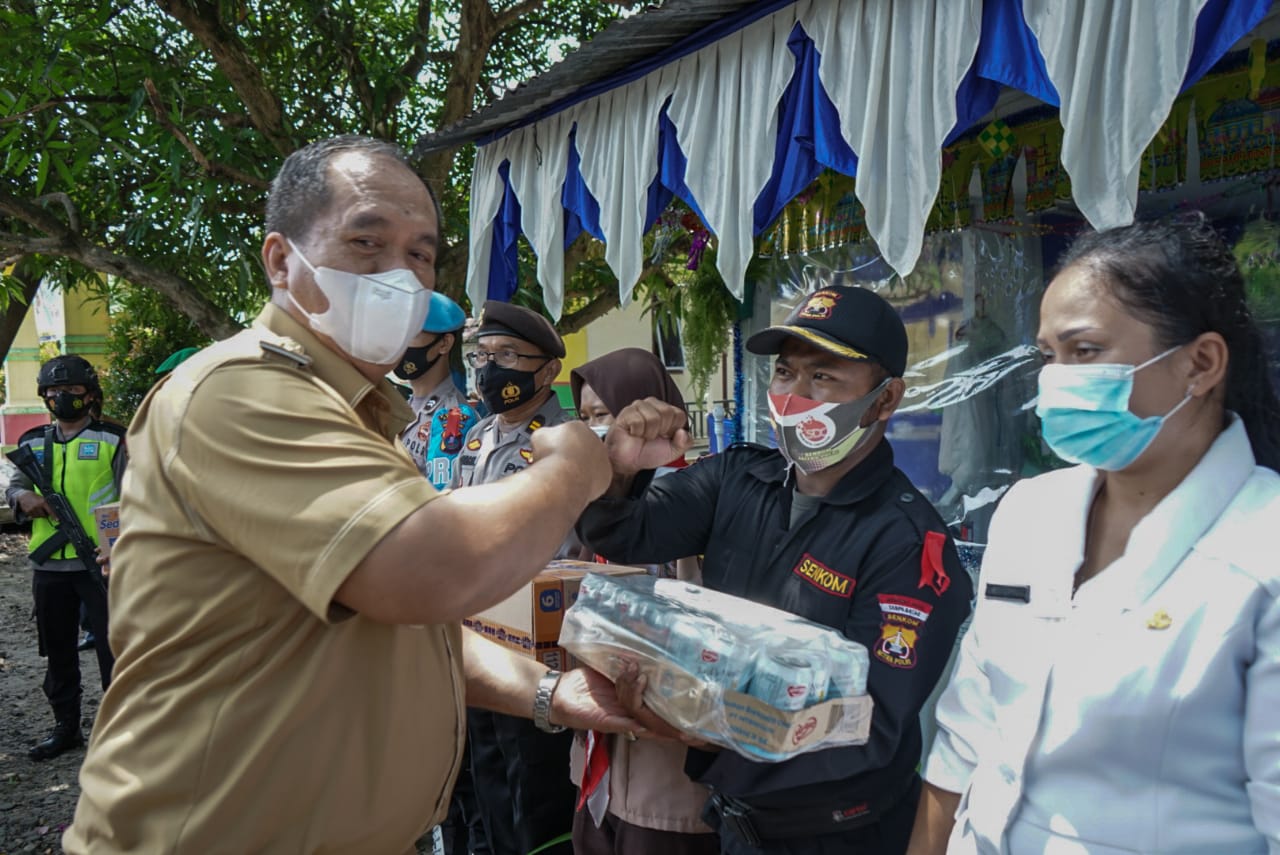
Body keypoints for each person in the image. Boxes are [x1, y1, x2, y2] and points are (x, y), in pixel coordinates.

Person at [64, 135, 645, 854]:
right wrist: (575, 470)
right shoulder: (241, 391)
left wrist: (549, 693)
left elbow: (402, 630)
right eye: (367, 241)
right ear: (282, 260)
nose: (400, 275)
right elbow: (432, 571)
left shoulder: (357, 411)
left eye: (421, 253)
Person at [908, 216, 1280, 855]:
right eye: (1049, 356)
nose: (1056, 380)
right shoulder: (1029, 513)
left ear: (1201, 363)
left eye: (1085, 352)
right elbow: (966, 734)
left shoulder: (1261, 549)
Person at [577, 285, 974, 854]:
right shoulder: (737, 477)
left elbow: (871, 728)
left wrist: (706, 729)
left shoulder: (906, 543)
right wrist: (621, 469)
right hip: (737, 824)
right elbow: (620, 533)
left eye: (824, 378)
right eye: (786, 374)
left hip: (837, 835)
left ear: (886, 400)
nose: (794, 396)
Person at [567, 347, 718, 855]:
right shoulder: (600, 504)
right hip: (599, 764)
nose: (594, 431)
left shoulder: (690, 501)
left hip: (666, 786)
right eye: (584, 417)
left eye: (604, 415)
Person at [452, 300, 582, 855]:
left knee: (536, 797)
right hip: (475, 638)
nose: (490, 368)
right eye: (483, 355)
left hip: (535, 645)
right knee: (488, 788)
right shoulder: (477, 436)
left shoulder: (566, 439)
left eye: (508, 354)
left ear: (548, 369)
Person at [3, 354, 126, 762]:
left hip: (105, 563)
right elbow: (14, 486)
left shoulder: (114, 439)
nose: (62, 397)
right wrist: (24, 497)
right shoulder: (32, 442)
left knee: (115, 649)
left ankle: (119, 734)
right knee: (57, 649)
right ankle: (66, 726)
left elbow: (137, 496)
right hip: (49, 565)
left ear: (90, 395)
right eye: (54, 391)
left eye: (72, 390)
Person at [396, 290, 479, 490]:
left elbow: (442, 500)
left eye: (412, 334)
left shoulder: (453, 417)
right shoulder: (402, 405)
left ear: (444, 343)